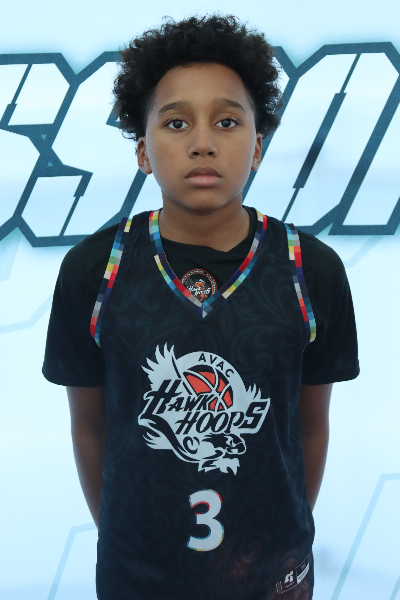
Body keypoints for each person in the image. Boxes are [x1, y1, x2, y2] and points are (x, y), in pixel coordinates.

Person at [42, 14, 359, 600]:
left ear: (257, 146)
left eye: (227, 121)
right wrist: (123, 535)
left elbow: (309, 426)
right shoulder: (94, 270)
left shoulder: (310, 269)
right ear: (143, 150)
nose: (203, 141)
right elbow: (89, 427)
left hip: (273, 575)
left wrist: (282, 536)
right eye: (177, 122)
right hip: (136, 576)